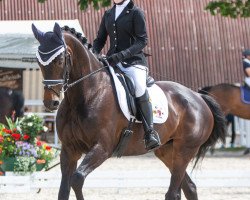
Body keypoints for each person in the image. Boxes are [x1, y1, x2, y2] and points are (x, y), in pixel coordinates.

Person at [92, 0, 161, 151]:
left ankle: (150, 133)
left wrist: (122, 55)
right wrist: (93, 54)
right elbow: (100, 40)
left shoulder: (136, 12)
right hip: (112, 61)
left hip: (133, 62)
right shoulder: (108, 14)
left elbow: (142, 41)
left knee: (139, 88)